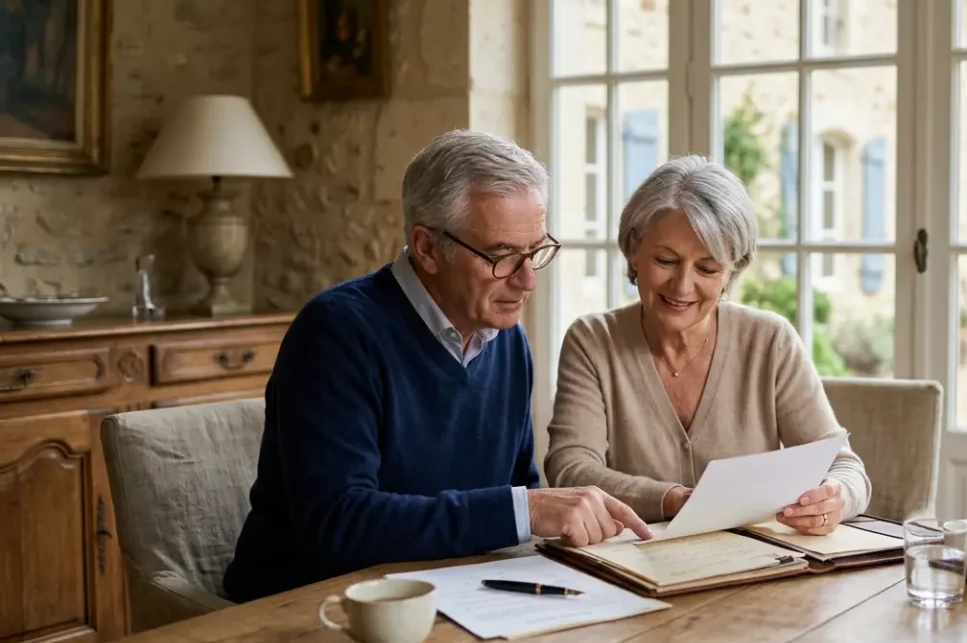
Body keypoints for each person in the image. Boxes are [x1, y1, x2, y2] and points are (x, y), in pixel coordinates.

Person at [223, 130, 651, 603]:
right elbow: (338, 526)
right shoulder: (335, 333)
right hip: (310, 609)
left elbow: (517, 495)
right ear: (426, 248)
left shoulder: (508, 340)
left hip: (457, 596)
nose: (528, 280)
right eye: (502, 255)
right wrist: (524, 510)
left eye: (535, 251)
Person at [544, 155, 872, 535]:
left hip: (755, 569)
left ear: (732, 269)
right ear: (634, 248)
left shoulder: (770, 341)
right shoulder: (592, 341)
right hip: (632, 570)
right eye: (666, 260)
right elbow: (570, 469)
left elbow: (845, 468)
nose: (682, 286)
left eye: (707, 269)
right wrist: (675, 500)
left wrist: (836, 498)